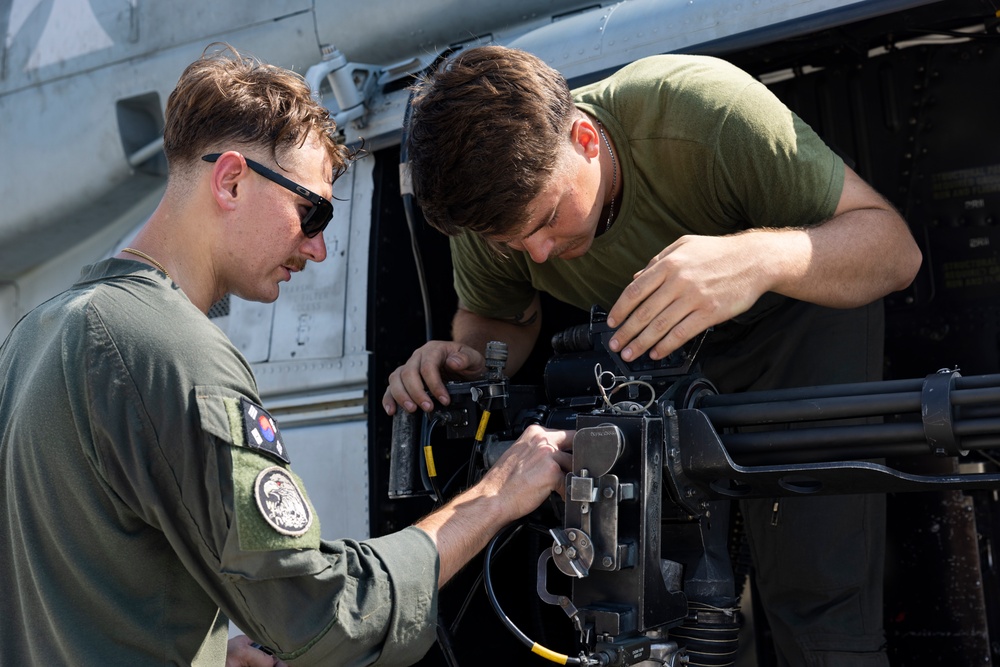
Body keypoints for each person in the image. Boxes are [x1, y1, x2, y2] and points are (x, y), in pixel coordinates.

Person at [0, 45, 573, 667]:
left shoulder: (37, 334)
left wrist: (214, 653)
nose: (319, 249)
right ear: (231, 180)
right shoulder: (169, 351)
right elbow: (324, 614)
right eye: (312, 212)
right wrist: (497, 496)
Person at [383, 45, 923, 666]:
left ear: (584, 138)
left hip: (796, 342)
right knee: (658, 600)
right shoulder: (497, 212)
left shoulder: (702, 116)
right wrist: (469, 360)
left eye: (550, 220)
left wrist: (755, 259)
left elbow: (893, 249)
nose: (537, 253)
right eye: (512, 241)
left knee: (819, 592)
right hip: (652, 384)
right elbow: (502, 319)